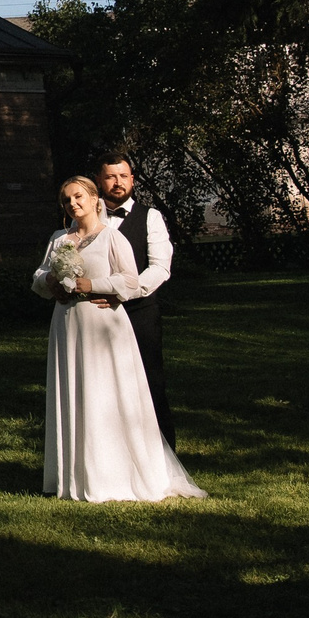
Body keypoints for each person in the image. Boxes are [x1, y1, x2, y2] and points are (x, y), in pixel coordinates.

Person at [33, 174, 204, 502]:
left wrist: (93, 285)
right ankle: (75, 475)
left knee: (105, 394)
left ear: (93, 198)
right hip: (67, 324)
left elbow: (129, 280)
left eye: (78, 196)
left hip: (104, 325)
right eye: (67, 200)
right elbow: (38, 276)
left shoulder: (112, 238)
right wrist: (49, 282)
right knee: (75, 392)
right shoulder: (59, 239)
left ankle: (112, 474)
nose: (73, 203)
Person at [95, 150, 176, 448]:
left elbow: (160, 268)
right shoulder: (85, 217)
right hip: (97, 314)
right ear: (99, 180)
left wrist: (122, 292)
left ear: (133, 180)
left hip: (139, 312)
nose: (117, 182)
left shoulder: (150, 217)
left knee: (150, 383)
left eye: (123, 176)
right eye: (110, 177)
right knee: (103, 385)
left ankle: (164, 453)